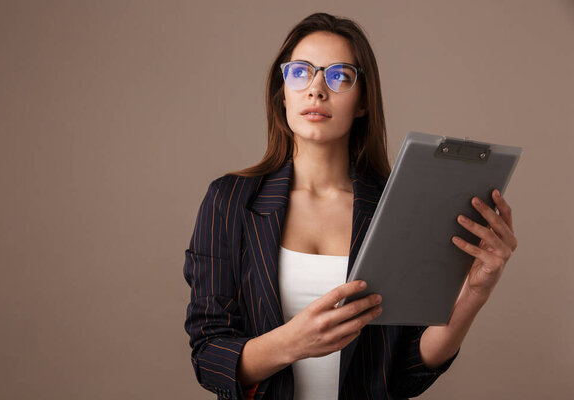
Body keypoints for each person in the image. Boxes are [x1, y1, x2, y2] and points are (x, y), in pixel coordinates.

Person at [183, 12, 518, 400]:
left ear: (362, 102)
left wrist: (474, 294)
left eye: (339, 75)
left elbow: (408, 371)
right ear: (282, 93)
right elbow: (209, 357)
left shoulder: (398, 208)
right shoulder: (229, 201)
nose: (317, 89)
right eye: (300, 73)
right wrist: (293, 341)